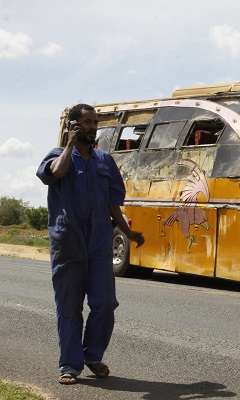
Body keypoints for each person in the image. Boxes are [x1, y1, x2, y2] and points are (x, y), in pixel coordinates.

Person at [36, 104, 144, 385]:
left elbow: (112, 205)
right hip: (68, 243)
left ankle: (92, 355)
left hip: (98, 244)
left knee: (105, 303)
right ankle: (70, 365)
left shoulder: (104, 161)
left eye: (95, 122)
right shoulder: (56, 156)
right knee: (69, 307)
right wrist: (69, 145)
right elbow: (55, 174)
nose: (93, 126)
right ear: (73, 125)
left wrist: (128, 233)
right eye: (86, 122)